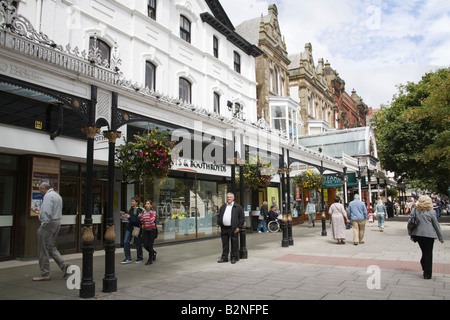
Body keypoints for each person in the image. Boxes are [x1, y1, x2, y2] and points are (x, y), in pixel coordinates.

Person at [33, 182, 70, 281]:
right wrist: (41, 212)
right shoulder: (57, 196)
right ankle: (64, 264)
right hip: (56, 222)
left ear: (42, 189)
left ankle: (45, 274)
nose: (40, 192)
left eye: (40, 190)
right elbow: (53, 210)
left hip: (49, 224)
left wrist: (43, 222)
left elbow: (47, 212)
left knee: (43, 249)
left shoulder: (48, 196)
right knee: (50, 247)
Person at [408, 195, 444, 279]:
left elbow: (410, 223)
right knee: (428, 253)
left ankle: (424, 266)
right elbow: (436, 225)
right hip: (429, 235)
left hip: (418, 235)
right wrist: (440, 237)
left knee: (424, 252)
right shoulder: (432, 212)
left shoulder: (415, 210)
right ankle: (427, 274)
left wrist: (410, 234)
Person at [217, 192, 245, 264]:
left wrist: (238, 227)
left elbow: (242, 218)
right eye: (227, 197)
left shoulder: (238, 207)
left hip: (233, 228)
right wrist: (220, 223)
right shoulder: (223, 207)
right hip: (224, 228)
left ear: (233, 198)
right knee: (225, 244)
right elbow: (219, 216)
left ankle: (234, 257)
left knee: (234, 244)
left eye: (230, 197)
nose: (228, 198)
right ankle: (224, 258)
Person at [121, 196, 143, 264]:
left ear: (136, 203)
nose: (131, 202)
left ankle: (139, 257)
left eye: (133, 201)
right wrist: (124, 217)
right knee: (126, 242)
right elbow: (128, 219)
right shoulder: (129, 209)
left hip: (136, 228)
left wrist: (130, 217)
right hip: (129, 227)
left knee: (137, 243)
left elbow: (138, 221)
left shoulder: (138, 210)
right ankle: (128, 258)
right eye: (131, 201)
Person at [139, 200, 158, 265]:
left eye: (148, 204)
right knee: (145, 245)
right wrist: (140, 217)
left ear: (151, 206)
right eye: (146, 204)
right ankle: (153, 252)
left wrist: (148, 215)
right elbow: (142, 222)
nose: (146, 205)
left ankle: (150, 260)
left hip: (152, 230)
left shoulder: (153, 212)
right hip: (145, 230)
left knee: (150, 245)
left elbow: (151, 220)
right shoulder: (143, 213)